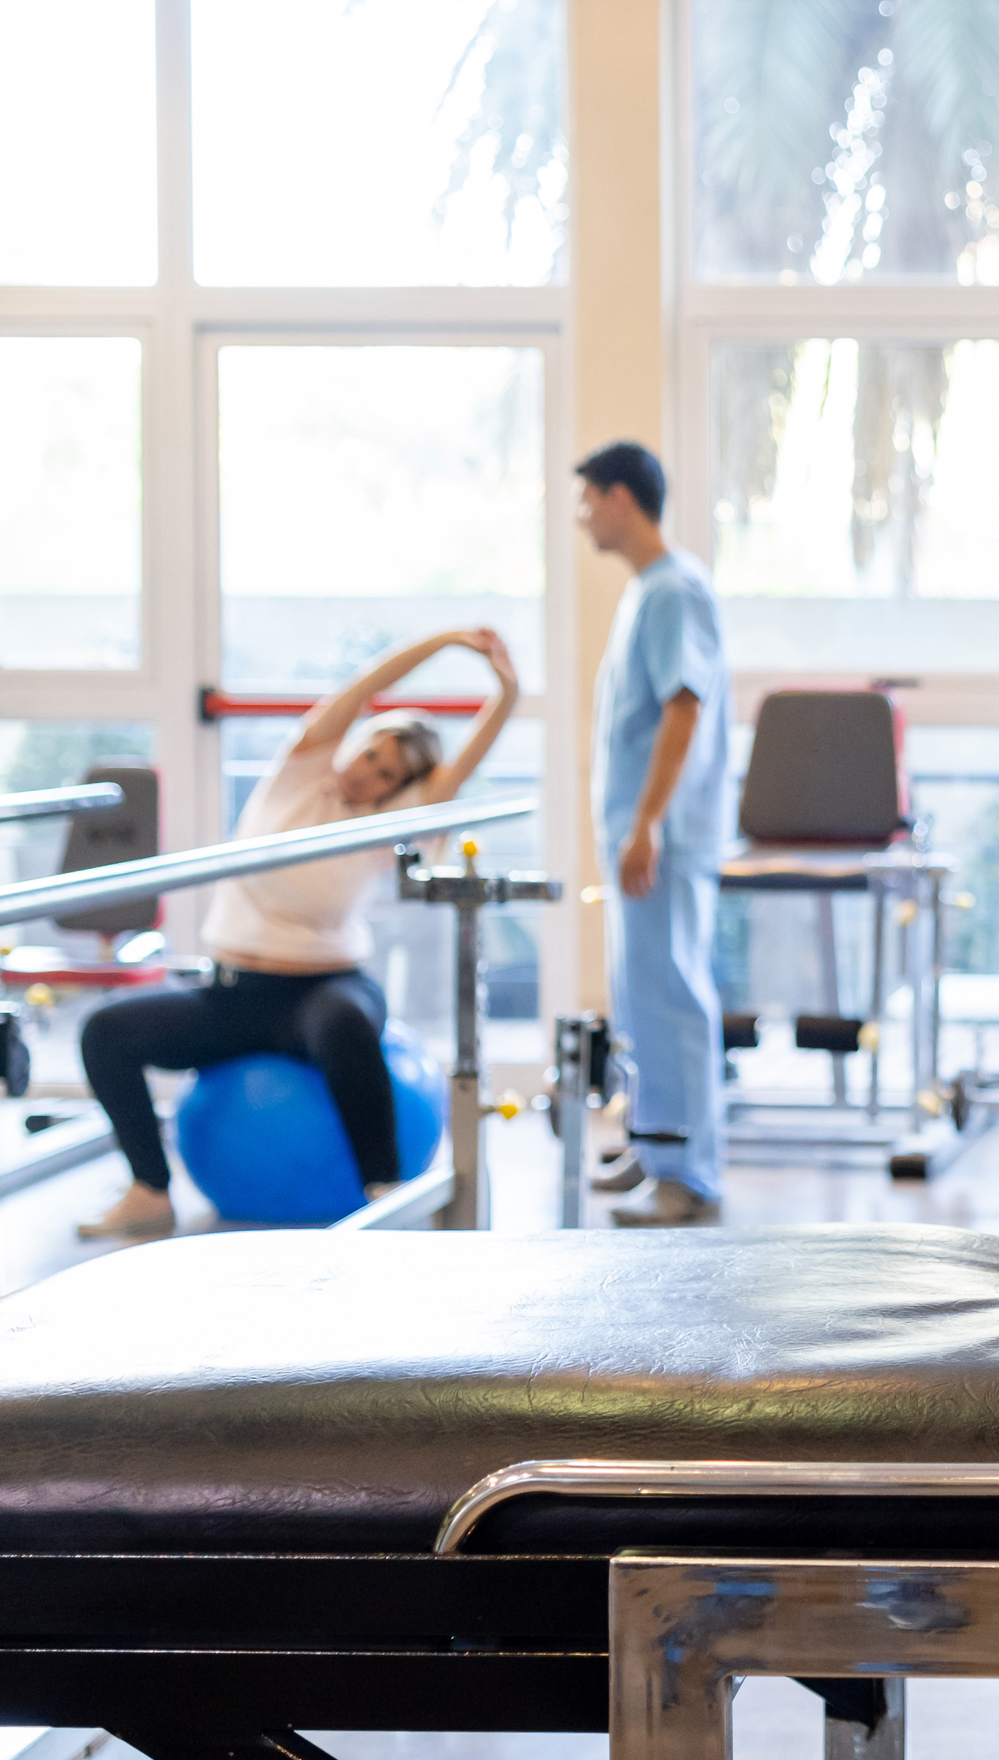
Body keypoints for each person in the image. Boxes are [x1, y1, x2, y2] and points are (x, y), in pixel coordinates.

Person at [72, 627, 519, 1241]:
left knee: (344, 1025)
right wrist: (444, 642)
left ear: (397, 788)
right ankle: (150, 1190)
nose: (368, 773)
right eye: (369, 755)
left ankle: (383, 1192)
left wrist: (509, 691)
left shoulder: (388, 823)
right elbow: (362, 689)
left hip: (324, 989)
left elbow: (466, 764)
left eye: (386, 772)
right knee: (106, 1032)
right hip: (232, 993)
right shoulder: (298, 771)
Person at [574, 440, 732, 1230]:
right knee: (641, 996)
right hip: (639, 836)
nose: (581, 516)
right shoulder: (648, 590)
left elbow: (684, 706)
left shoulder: (674, 590)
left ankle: (688, 1172)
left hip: (661, 837)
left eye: (587, 498)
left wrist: (648, 823)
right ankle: (655, 1140)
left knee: (672, 998)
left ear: (622, 498)